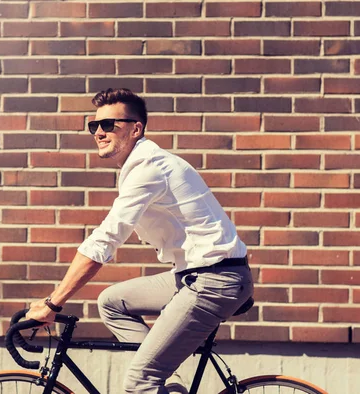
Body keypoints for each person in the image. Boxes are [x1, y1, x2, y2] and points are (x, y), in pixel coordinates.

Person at [26, 88, 254, 394]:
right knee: (112, 302)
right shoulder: (138, 167)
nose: (100, 132)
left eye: (110, 125)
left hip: (215, 280)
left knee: (139, 381)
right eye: (94, 126)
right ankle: (168, 388)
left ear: (136, 128)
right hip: (196, 275)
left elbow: (105, 240)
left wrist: (54, 302)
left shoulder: (149, 167)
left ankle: (152, 383)